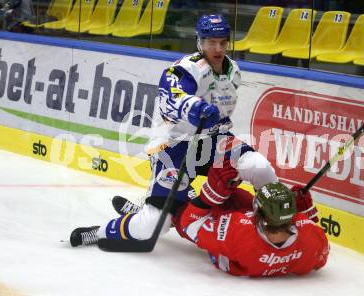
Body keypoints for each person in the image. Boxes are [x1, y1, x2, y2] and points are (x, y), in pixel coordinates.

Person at [69, 14, 279, 246]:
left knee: (260, 168)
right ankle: (100, 232)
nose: (218, 48)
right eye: (211, 42)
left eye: (222, 42)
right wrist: (195, 107)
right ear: (200, 42)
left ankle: (276, 223)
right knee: (152, 228)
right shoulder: (186, 70)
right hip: (176, 146)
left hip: (215, 141)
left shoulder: (232, 71)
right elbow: (171, 96)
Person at [172, 161, 327, 277]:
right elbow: (318, 257)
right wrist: (307, 212)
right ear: (293, 214)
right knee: (238, 197)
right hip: (248, 245)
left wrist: (208, 196)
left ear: (256, 214)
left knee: (178, 209)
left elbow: (190, 224)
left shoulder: (236, 232)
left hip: (229, 250)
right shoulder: (311, 235)